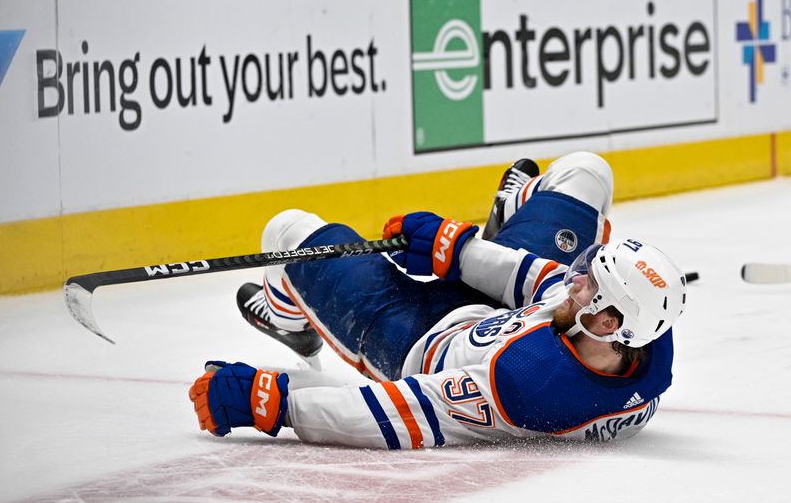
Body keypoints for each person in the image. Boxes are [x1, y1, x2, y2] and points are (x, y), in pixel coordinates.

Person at [189, 152, 687, 448]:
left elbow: (395, 414)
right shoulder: (634, 336)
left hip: (415, 335)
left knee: (289, 231)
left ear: (604, 323)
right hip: (499, 314)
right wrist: (461, 250)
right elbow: (545, 281)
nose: (574, 279)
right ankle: (508, 213)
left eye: (588, 285)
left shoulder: (522, 384)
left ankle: (289, 318)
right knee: (587, 171)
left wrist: (276, 406)